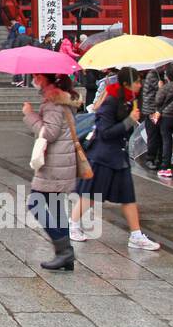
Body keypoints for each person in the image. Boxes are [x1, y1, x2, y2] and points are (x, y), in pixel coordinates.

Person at [70, 67, 161, 251]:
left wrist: (132, 120)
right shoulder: (111, 101)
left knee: (128, 196)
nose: (139, 84)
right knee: (90, 194)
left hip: (118, 156)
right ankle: (72, 225)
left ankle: (136, 235)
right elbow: (105, 132)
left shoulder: (129, 101)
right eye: (136, 81)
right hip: (102, 156)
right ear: (127, 83)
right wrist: (128, 121)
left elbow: (124, 131)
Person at [21, 73, 82, 270]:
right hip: (61, 161)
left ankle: (64, 251)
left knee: (35, 203)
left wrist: (30, 114)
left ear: (46, 78)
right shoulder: (58, 99)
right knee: (57, 209)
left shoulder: (53, 103)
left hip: (54, 164)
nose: (34, 78)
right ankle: (65, 256)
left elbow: (49, 133)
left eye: (37, 76)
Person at [139, 66, 162, 169]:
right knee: (153, 135)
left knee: (158, 135)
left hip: (155, 110)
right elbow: (161, 91)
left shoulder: (157, 74)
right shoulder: (153, 75)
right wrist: (162, 86)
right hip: (152, 111)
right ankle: (150, 159)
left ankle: (157, 158)